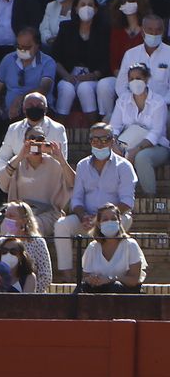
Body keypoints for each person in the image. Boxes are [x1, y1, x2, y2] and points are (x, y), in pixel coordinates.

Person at [53, 122, 136, 275]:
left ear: (112, 141)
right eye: (95, 140)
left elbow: (127, 202)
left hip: (116, 218)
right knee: (61, 225)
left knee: (114, 225)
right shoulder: (82, 165)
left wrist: (100, 218)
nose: (99, 144)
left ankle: (105, 274)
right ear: (90, 142)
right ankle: (67, 276)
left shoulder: (124, 166)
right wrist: (83, 216)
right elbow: (77, 199)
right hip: (87, 219)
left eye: (104, 139)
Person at [108, 63, 170, 196]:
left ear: (146, 79)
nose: (134, 82)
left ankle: (150, 197)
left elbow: (156, 133)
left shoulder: (158, 102)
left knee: (141, 157)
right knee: (108, 152)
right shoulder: (122, 101)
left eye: (138, 78)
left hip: (157, 146)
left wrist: (136, 150)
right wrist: (114, 144)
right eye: (131, 79)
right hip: (127, 143)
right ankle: (114, 196)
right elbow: (114, 127)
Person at [78, 204, 144, 293]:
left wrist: (110, 279)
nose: (109, 222)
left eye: (113, 219)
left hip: (123, 293)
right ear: (99, 224)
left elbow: (134, 280)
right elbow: (85, 277)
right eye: (105, 219)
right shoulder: (92, 247)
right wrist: (92, 280)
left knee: (115, 287)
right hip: (98, 291)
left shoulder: (130, 245)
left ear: (119, 222)